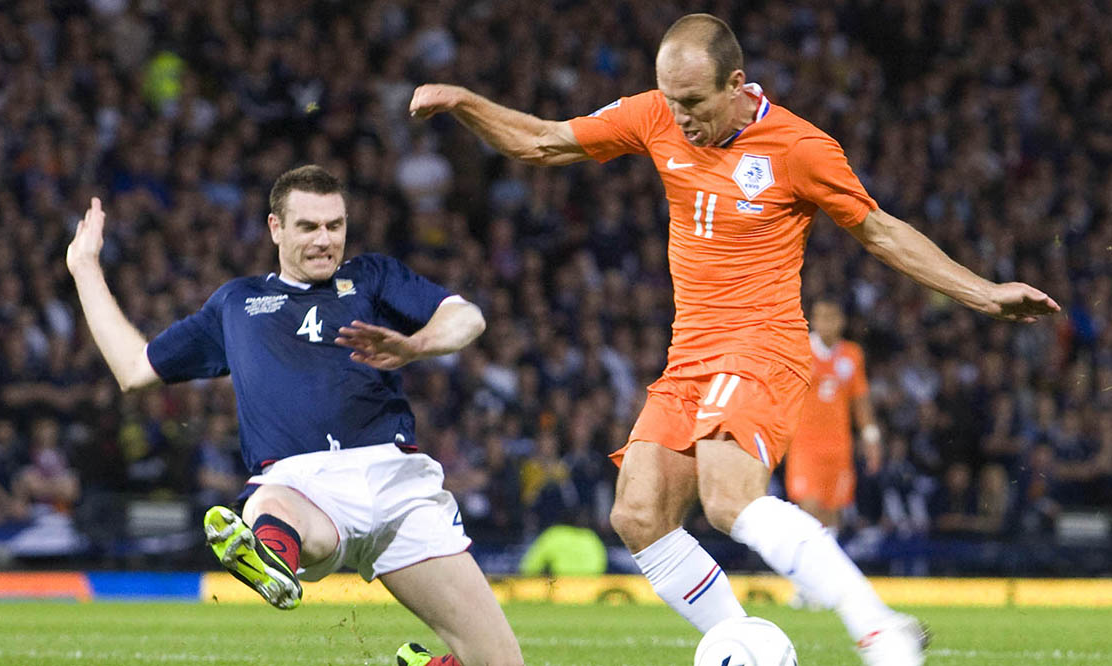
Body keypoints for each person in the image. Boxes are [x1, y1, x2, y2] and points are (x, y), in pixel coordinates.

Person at [409, 13, 1059, 666]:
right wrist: (465, 102)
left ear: (737, 85)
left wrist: (982, 291)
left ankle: (879, 629)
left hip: (762, 346)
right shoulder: (656, 114)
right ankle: (745, 644)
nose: (681, 118)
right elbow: (543, 142)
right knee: (637, 514)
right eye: (670, 100)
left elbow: (881, 231)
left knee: (728, 499)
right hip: (688, 356)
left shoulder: (799, 147)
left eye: (694, 102)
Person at [66, 165, 523, 666]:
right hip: (304, 485)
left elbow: (468, 317)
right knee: (275, 503)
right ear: (275, 228)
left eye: (335, 226)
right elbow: (134, 369)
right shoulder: (237, 304)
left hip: (397, 484)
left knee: (500, 662)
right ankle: (269, 558)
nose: (325, 240)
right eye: (309, 227)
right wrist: (86, 269)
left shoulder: (371, 277)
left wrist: (418, 344)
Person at [785, 299, 882, 531]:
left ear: (841, 321)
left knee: (833, 514)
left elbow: (861, 401)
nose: (825, 323)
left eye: (831, 317)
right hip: (805, 446)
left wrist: (871, 439)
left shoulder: (852, 354)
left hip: (839, 447)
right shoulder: (800, 351)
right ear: (813, 320)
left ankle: (823, 564)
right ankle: (807, 565)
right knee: (809, 509)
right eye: (820, 317)